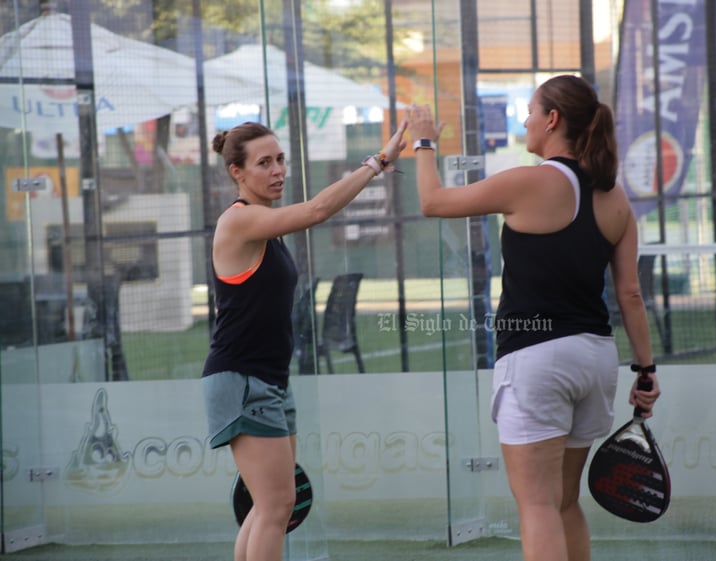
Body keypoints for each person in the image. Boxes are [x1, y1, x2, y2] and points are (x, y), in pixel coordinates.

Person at [407, 75, 661, 561]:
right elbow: (630, 294)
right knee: (565, 503)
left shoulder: (531, 181)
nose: (524, 120)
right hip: (595, 360)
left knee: (538, 506)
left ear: (552, 119)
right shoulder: (616, 197)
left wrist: (423, 143)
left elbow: (432, 202)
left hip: (537, 361)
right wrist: (646, 372)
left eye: (529, 110)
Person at [202, 119, 407, 561]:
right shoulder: (240, 222)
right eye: (264, 163)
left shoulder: (266, 226)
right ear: (237, 172)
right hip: (242, 381)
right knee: (277, 505)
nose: (278, 170)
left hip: (269, 381)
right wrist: (378, 162)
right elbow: (316, 211)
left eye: (280, 160)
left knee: (270, 505)